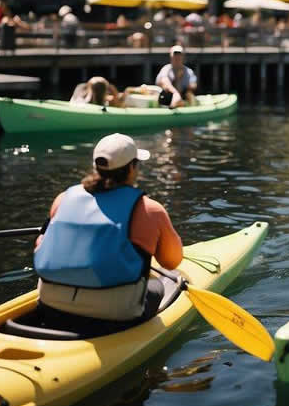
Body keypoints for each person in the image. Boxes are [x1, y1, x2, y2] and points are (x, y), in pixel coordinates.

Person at [34, 133, 183, 322]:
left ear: (96, 166)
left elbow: (40, 245)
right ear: (131, 168)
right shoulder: (150, 209)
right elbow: (171, 262)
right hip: (114, 314)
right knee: (161, 284)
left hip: (50, 303)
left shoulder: (63, 199)